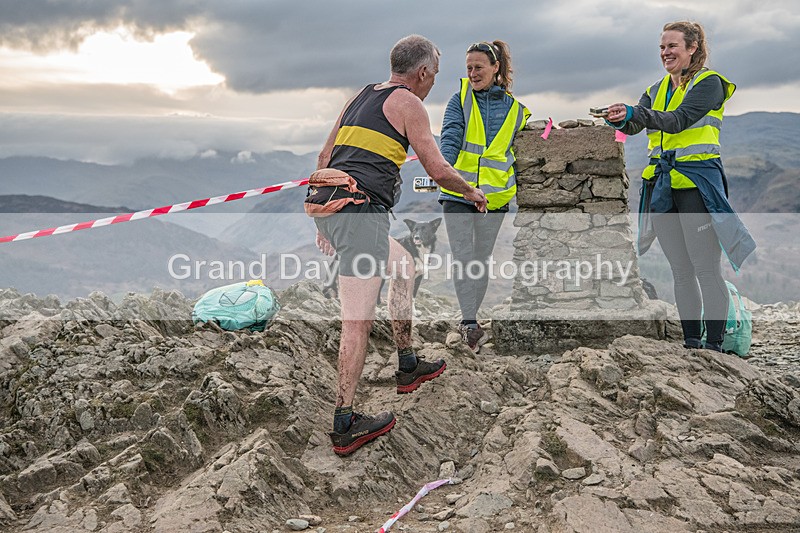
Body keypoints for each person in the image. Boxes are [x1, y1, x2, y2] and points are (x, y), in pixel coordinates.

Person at [313, 35, 487, 456]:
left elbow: (324, 158)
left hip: (334, 205)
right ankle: (344, 423)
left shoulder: (360, 96)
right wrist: (471, 193)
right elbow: (437, 168)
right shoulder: (409, 103)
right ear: (422, 72)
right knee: (356, 321)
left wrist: (325, 222)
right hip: (360, 212)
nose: (434, 83)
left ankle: (407, 364)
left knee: (404, 265)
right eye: (435, 75)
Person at [605, 21, 755, 351]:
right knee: (681, 271)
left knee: (706, 269)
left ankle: (714, 346)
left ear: (692, 48)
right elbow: (635, 124)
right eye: (662, 47)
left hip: (697, 186)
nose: (665, 52)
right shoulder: (656, 89)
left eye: (672, 46)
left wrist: (635, 112)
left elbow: (678, 120)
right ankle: (691, 343)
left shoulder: (709, 83)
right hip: (662, 187)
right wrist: (619, 117)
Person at [438, 40, 530, 352]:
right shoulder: (459, 99)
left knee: (480, 260)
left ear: (495, 68)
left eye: (478, 67)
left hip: (495, 198)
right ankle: (469, 324)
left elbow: (522, 148)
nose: (473, 73)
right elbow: (450, 138)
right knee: (463, 257)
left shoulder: (516, 110)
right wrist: (444, 170)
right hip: (458, 193)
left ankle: (471, 318)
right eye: (469, 68)